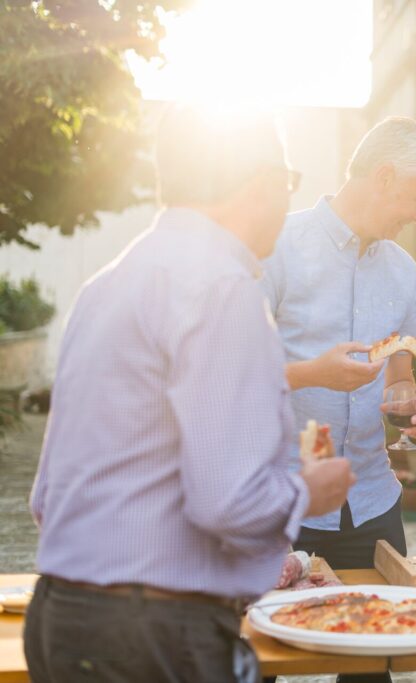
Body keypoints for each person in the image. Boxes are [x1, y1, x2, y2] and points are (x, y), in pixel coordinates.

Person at [24, 105, 353, 683]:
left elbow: (46, 497)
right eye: (288, 183)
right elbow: (227, 502)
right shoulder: (222, 288)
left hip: (61, 616)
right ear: (261, 185)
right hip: (155, 632)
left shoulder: (104, 287)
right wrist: (307, 490)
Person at [261, 116, 416, 579]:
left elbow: (400, 374)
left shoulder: (404, 270)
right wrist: (313, 374)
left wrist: (410, 404)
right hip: (286, 500)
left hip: (373, 502)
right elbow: (231, 374)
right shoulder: (276, 247)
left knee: (387, 637)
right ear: (383, 176)